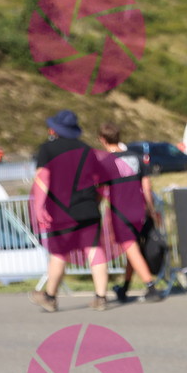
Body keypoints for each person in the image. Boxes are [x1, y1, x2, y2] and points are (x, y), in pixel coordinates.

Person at [30, 109, 110, 311]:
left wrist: (38, 207)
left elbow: (42, 178)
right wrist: (96, 200)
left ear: (55, 129)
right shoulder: (87, 149)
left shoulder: (48, 149)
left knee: (59, 253)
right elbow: (102, 181)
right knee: (95, 250)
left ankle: (50, 297)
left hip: (60, 211)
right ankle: (101, 297)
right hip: (88, 208)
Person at [95, 123, 163, 303]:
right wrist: (151, 209)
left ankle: (150, 287)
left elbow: (100, 191)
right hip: (139, 210)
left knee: (130, 248)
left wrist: (94, 208)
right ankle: (124, 287)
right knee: (133, 251)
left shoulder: (105, 163)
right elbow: (146, 187)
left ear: (102, 140)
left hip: (121, 213)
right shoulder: (136, 157)